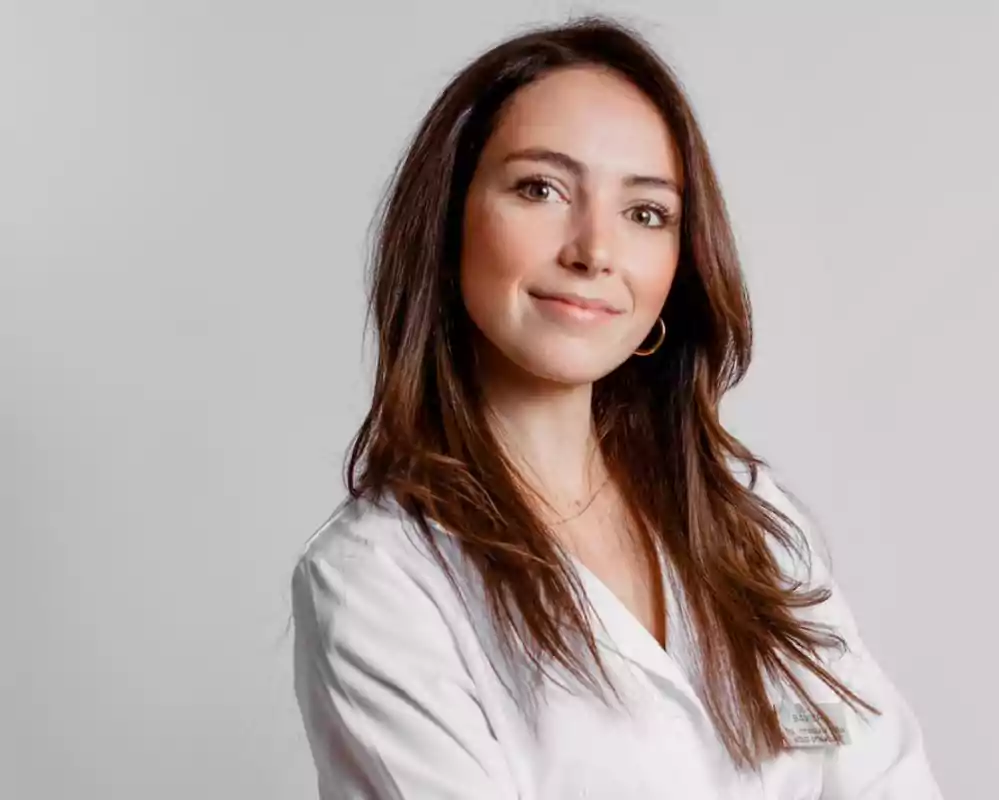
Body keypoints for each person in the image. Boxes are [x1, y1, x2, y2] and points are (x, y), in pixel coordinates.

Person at [290, 15, 944, 799]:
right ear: (450, 221)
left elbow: (884, 778)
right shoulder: (379, 582)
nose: (595, 250)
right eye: (541, 189)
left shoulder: (752, 526)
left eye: (645, 212)